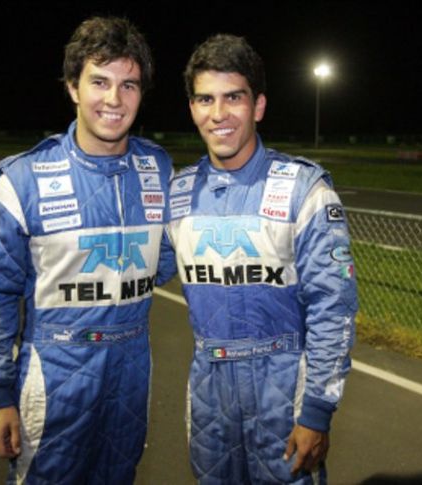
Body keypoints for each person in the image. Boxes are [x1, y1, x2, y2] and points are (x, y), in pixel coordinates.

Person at [0, 16, 174, 484]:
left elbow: (163, 263)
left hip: (131, 371)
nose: (114, 100)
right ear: (73, 88)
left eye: (129, 85)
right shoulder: (22, 179)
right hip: (53, 373)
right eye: (99, 81)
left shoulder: (157, 168)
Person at [164, 34, 359, 484]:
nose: (219, 114)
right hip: (209, 394)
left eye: (234, 97)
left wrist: (317, 410)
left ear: (259, 106)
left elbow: (334, 308)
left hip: (284, 393)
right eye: (205, 99)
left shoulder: (304, 190)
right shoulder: (176, 193)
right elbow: (138, 272)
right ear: (192, 108)